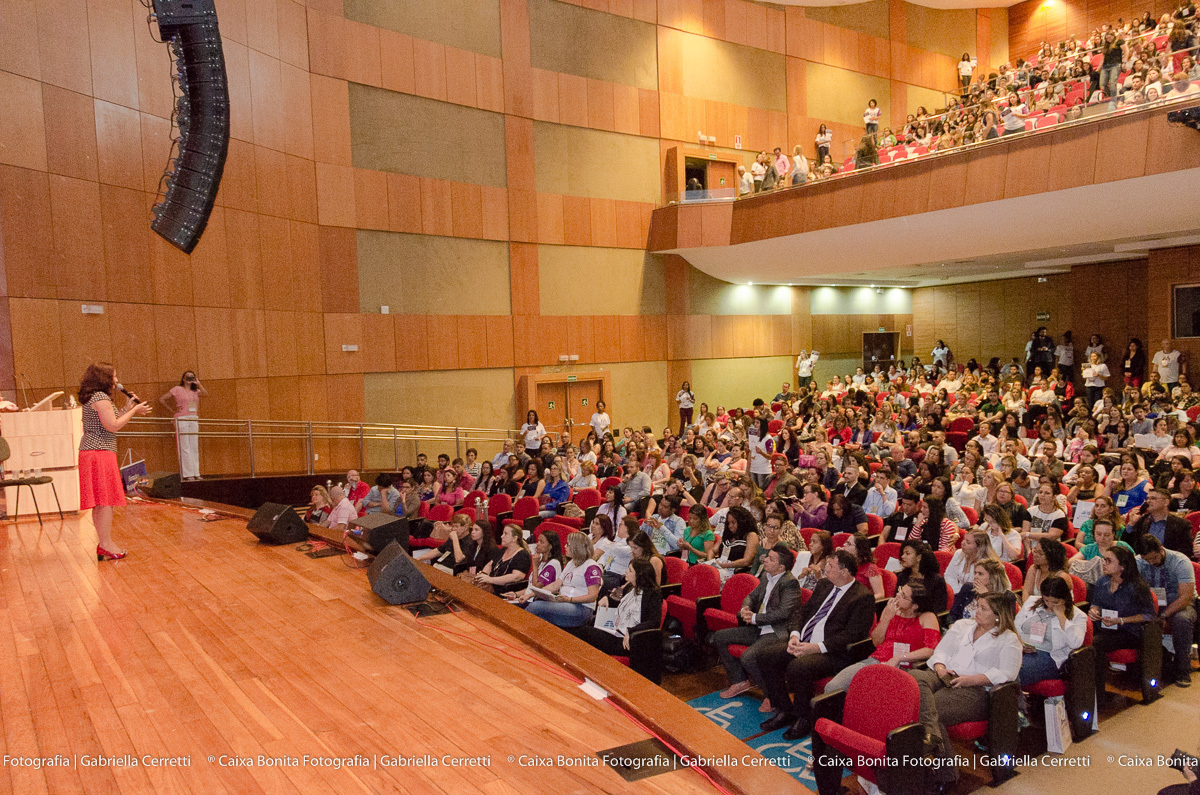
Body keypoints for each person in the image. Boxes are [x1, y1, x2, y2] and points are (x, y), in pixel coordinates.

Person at [758, 549, 875, 740]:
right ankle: (785, 709)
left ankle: (803, 718)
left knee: (798, 667)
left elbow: (852, 636)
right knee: (765, 655)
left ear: (845, 572)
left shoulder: (862, 597)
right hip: (805, 642)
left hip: (833, 652)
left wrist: (816, 647)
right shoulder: (824, 585)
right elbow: (802, 613)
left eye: (831, 566)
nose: (825, 569)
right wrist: (795, 635)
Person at [912, 593, 1022, 790]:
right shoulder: (963, 626)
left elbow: (1008, 672)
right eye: (977, 606)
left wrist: (970, 680)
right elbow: (941, 651)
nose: (976, 611)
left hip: (976, 689)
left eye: (983, 608)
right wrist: (939, 668)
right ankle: (932, 739)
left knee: (931, 708)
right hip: (945, 673)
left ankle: (947, 774)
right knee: (912, 679)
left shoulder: (1008, 638)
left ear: (998, 615)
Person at [77, 365, 152, 560]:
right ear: (104, 378)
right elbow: (113, 426)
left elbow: (111, 419)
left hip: (94, 452)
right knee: (105, 501)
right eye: (114, 376)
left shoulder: (94, 397)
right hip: (99, 452)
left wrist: (127, 406)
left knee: (101, 502)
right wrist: (134, 410)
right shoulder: (100, 398)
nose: (117, 380)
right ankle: (106, 544)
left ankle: (104, 544)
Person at [711, 545, 801, 704]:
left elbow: (783, 613)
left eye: (771, 559)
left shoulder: (790, 583)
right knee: (719, 637)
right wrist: (745, 609)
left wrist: (754, 618)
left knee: (748, 657)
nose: (765, 560)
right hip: (758, 627)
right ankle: (739, 680)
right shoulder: (767, 576)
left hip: (776, 632)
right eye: (767, 556)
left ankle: (771, 696)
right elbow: (751, 597)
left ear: (781, 567)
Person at [823, 581, 942, 692]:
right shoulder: (891, 610)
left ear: (915, 605)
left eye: (903, 595)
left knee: (870, 692)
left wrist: (900, 658)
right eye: (900, 591)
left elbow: (930, 649)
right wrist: (886, 619)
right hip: (878, 660)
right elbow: (876, 641)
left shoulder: (927, 617)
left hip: (906, 666)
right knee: (833, 687)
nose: (897, 595)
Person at [1089, 545, 1158, 701]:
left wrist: (1121, 620)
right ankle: (1090, 689)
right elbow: (1095, 603)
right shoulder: (1102, 582)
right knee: (1081, 638)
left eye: (1108, 560)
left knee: (1095, 644)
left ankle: (1098, 694)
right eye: (1103, 560)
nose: (1104, 563)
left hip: (1129, 631)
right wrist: (1094, 611)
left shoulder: (1136, 587)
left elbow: (1149, 615)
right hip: (1106, 627)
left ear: (1122, 566)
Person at [1135, 535, 1196, 687]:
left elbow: (1186, 597)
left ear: (1161, 549)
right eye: (1147, 559)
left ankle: (1183, 669)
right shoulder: (1139, 562)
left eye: (1154, 558)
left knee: (1182, 619)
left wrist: (1163, 615)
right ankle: (1143, 669)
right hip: (1152, 603)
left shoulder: (1180, 561)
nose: (1151, 562)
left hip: (1180, 604)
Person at [575, 560, 663, 656]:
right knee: (585, 628)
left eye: (630, 570)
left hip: (630, 639)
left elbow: (654, 621)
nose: (626, 572)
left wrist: (631, 631)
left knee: (584, 632)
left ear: (639, 575)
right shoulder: (630, 587)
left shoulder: (653, 594)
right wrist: (607, 599)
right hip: (616, 631)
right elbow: (620, 604)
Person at [1014, 576, 1087, 687]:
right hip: (1021, 647)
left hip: (1049, 656)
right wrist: (1021, 643)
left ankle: (1009, 701)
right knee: (997, 663)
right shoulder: (1032, 601)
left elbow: (1075, 643)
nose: (1050, 604)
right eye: (1046, 600)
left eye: (1055, 602)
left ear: (1064, 598)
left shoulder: (1078, 616)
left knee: (1015, 671)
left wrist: (1061, 616)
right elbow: (1016, 626)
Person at [526, 532, 603, 628]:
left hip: (582, 608)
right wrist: (531, 594)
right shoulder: (571, 563)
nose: (565, 546)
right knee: (540, 615)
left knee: (536, 607)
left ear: (576, 547)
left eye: (568, 544)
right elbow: (555, 585)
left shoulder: (591, 567)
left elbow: (592, 596)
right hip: (565, 603)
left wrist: (569, 599)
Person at [159, 370, 205, 480]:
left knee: (194, 446)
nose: (190, 379)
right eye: (188, 377)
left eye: (192, 377)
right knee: (185, 446)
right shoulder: (177, 389)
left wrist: (199, 383)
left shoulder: (196, 391)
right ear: (183, 379)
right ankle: (188, 474)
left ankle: (196, 472)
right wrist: (172, 410)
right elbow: (162, 399)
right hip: (181, 418)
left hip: (193, 417)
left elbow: (205, 394)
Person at [1126, 488, 1194, 556]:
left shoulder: (1181, 524)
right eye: (1147, 498)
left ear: (1166, 502)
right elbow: (1128, 545)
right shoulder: (1141, 521)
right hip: (1144, 561)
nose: (1149, 501)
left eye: (1153, 498)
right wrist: (1131, 524)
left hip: (1170, 562)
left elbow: (1187, 550)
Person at [475, 524, 531, 595]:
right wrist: (483, 575)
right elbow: (490, 564)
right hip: (490, 585)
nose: (502, 536)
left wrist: (491, 580)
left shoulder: (523, 555)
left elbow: (516, 577)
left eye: (506, 534)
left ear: (514, 538)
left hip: (505, 590)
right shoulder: (503, 550)